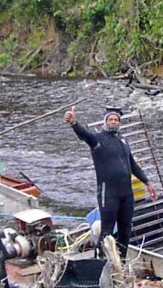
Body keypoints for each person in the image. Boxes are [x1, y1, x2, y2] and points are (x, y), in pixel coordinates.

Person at [65, 105, 157, 256]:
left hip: (126, 194)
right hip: (108, 194)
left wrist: (147, 183)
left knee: (125, 229)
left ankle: (121, 262)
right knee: (107, 231)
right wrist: (74, 123)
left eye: (116, 120)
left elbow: (132, 164)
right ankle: (100, 262)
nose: (113, 122)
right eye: (111, 119)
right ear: (105, 122)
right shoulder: (98, 140)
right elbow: (84, 135)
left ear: (119, 123)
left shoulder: (123, 140)